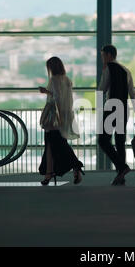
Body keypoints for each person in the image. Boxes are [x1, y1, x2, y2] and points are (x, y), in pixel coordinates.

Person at [38, 56, 84, 186]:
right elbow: (66, 99)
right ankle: (50, 172)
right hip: (65, 116)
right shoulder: (67, 80)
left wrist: (46, 91)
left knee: (52, 144)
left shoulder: (53, 80)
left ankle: (70, 167)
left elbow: (55, 97)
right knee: (55, 144)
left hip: (54, 118)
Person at [98, 44, 135, 186]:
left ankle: (122, 167)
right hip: (124, 109)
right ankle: (121, 176)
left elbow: (102, 89)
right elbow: (133, 93)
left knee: (103, 140)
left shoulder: (108, 68)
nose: (102, 58)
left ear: (109, 55)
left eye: (103, 55)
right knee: (120, 142)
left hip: (111, 108)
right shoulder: (126, 70)